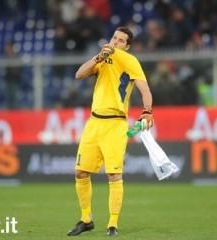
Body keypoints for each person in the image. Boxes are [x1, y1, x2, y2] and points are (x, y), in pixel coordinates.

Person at [67, 26, 153, 236]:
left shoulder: (131, 62)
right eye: (114, 38)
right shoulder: (102, 59)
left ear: (128, 46)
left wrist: (147, 111)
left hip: (115, 125)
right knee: (80, 172)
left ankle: (112, 223)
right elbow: (79, 74)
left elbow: (145, 90)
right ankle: (86, 219)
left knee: (114, 174)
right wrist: (97, 57)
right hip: (94, 123)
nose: (115, 42)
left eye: (121, 40)